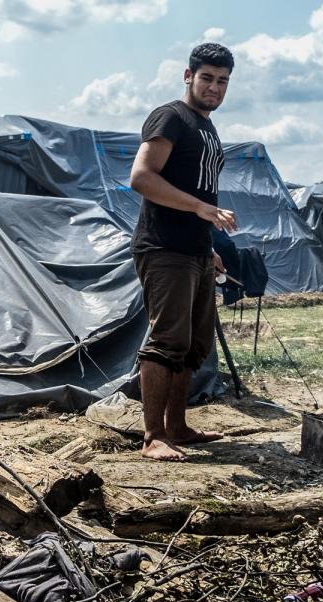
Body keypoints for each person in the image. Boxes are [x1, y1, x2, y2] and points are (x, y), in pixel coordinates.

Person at [128, 42, 237, 462]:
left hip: (193, 249)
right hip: (163, 246)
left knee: (194, 343)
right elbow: (141, 177)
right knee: (166, 341)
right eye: (207, 77)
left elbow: (198, 189)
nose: (214, 87)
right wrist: (199, 208)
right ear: (188, 75)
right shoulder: (171, 116)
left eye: (222, 81)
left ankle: (177, 426)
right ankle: (152, 434)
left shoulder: (206, 126)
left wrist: (207, 247)